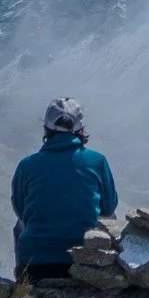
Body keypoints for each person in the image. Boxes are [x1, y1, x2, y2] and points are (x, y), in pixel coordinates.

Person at [10, 96, 118, 284]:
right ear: (80, 129)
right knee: (111, 220)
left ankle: (23, 283)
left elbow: (21, 209)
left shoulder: (27, 166)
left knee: (20, 226)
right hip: (83, 261)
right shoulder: (97, 161)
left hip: (36, 265)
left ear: (46, 128)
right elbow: (108, 207)